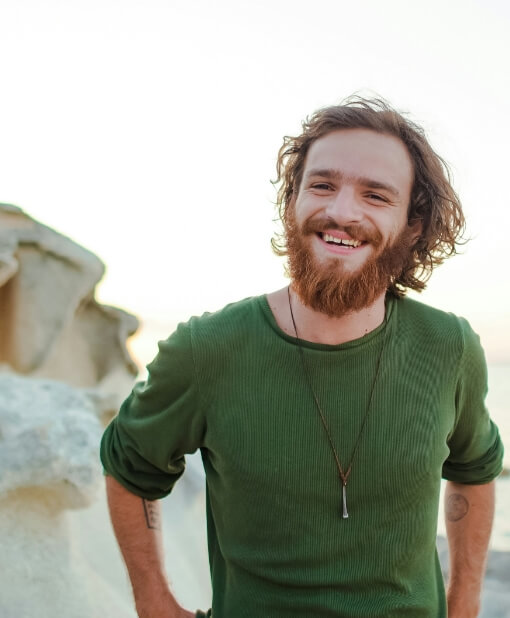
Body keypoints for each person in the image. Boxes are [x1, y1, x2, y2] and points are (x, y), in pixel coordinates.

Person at [100, 96, 504, 618]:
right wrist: (154, 601)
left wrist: (464, 605)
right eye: (322, 185)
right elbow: (129, 467)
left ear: (412, 224)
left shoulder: (450, 347)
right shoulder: (206, 349)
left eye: (376, 195)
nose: (341, 211)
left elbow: (474, 469)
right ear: (292, 200)